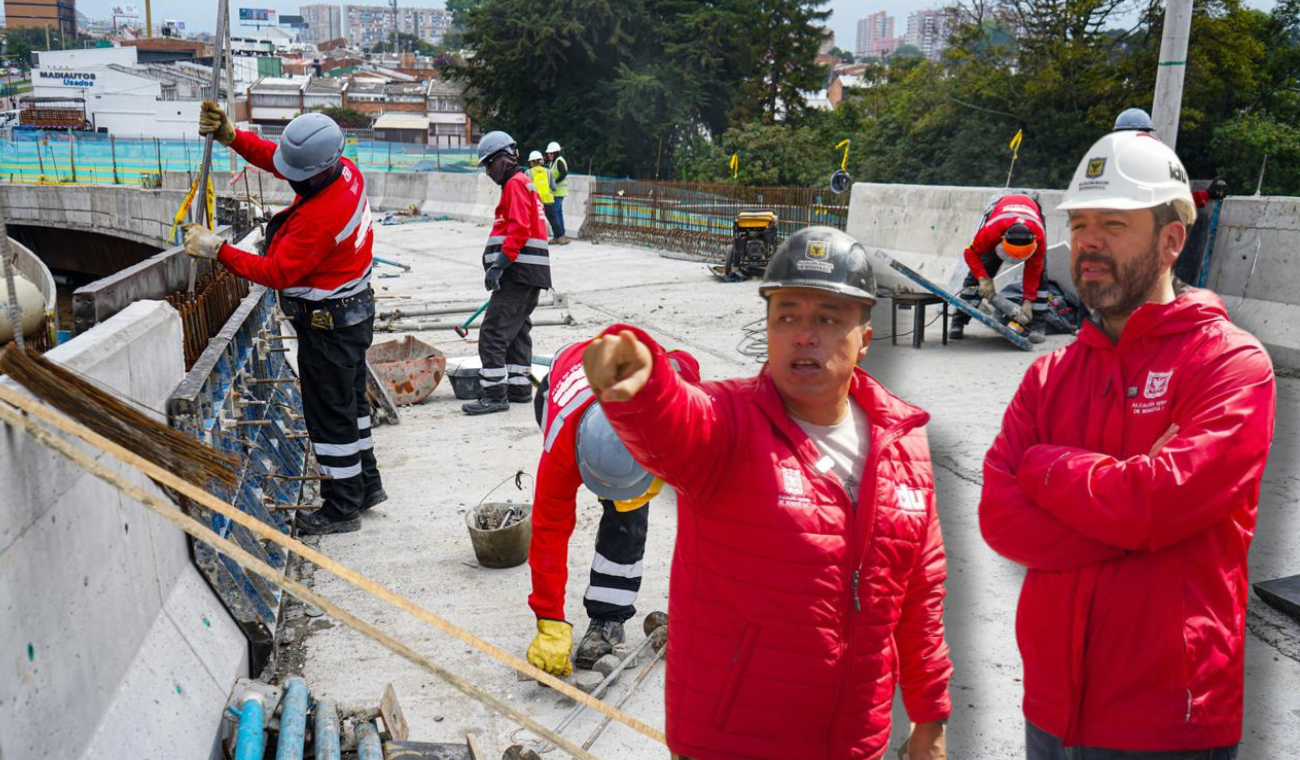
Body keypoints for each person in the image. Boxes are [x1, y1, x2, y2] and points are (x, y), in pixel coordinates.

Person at [583, 227, 952, 760]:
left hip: (853, 743)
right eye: (787, 316)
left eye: (827, 318)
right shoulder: (728, 426)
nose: (804, 335)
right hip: (730, 742)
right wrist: (641, 383)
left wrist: (930, 719)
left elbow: (920, 600)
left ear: (865, 338)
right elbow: (673, 421)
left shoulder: (905, 445)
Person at [979, 130, 1276, 760]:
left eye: (1114, 223)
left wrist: (1045, 466)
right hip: (1052, 711)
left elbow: (1156, 506)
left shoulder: (1230, 366)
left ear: (1172, 240)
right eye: (1081, 222)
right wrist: (1129, 497)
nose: (1088, 241)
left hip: (1166, 721)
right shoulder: (1050, 376)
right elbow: (1000, 520)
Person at [184, 102, 384, 536]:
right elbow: (283, 163)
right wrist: (233, 138)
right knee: (349, 407)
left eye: (297, 173)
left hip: (329, 324)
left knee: (329, 418)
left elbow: (276, 272)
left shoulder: (319, 218)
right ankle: (365, 486)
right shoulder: (343, 170)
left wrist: (218, 250)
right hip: (353, 313)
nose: (288, 176)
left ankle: (341, 506)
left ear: (315, 172)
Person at [525, 339, 701, 675]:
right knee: (617, 508)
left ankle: (608, 616)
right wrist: (549, 619)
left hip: (626, 381)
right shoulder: (560, 449)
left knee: (628, 516)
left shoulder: (668, 398)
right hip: (559, 385)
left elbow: (687, 360)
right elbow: (549, 534)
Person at [462, 130, 552, 416]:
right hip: (531, 274)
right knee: (517, 330)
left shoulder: (515, 184)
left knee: (493, 332)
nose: (488, 172)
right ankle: (518, 387)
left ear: (504, 159)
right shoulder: (523, 184)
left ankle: (494, 394)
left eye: (489, 164)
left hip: (517, 272)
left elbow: (519, 228)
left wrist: (499, 264)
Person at [949, 192, 1047, 341]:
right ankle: (958, 321)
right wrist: (983, 278)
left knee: (1041, 276)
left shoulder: (1038, 236)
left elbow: (1033, 271)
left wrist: (1028, 300)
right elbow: (970, 253)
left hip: (1031, 212)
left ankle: (1038, 327)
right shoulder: (991, 230)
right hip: (1001, 217)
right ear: (1002, 240)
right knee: (978, 273)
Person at [528, 150, 559, 243]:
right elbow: (553, 187)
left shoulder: (528, 172)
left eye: (530, 162)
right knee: (553, 220)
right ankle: (558, 237)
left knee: (534, 220)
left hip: (535, 201)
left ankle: (534, 237)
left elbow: (526, 188)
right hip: (548, 199)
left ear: (533, 162)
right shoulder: (548, 172)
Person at [545, 141, 570, 244]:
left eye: (551, 153)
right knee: (558, 214)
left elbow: (564, 173)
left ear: (556, 153)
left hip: (559, 192)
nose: (549, 155)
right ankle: (560, 235)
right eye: (548, 153)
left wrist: (554, 182)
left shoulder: (559, 161)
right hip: (555, 193)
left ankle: (559, 236)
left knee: (555, 214)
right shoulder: (552, 162)